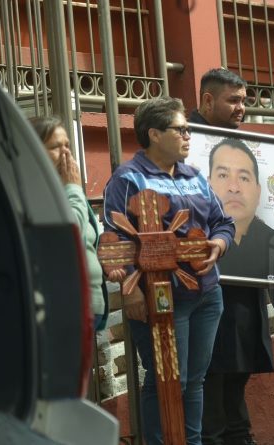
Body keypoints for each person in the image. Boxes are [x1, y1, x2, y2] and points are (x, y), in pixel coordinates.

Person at [103, 97, 235, 445]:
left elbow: (223, 222)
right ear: (154, 134)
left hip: (207, 293)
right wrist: (130, 291)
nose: (188, 136)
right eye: (181, 129)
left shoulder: (195, 175)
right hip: (160, 296)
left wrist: (219, 244)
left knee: (195, 380)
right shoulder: (128, 179)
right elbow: (115, 238)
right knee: (167, 379)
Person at [190, 68, 274, 445]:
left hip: (246, 274)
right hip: (201, 277)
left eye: (244, 100)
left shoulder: (246, 143)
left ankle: (239, 435)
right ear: (207, 100)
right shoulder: (185, 141)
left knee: (239, 363)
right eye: (233, 100)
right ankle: (216, 437)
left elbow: (266, 205)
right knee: (211, 366)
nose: (242, 108)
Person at [204, 138, 274, 445]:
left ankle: (239, 436)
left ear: (259, 190)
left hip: (248, 295)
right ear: (207, 182)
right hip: (207, 295)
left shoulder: (273, 242)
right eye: (223, 175)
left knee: (239, 369)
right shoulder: (198, 232)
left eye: (244, 177)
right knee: (212, 373)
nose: (234, 187)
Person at [30, 116, 108, 331]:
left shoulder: (61, 188)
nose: (66, 153)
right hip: (63, 308)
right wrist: (74, 188)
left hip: (84, 306)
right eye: (56, 147)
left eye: (67, 145)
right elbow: (70, 233)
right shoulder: (33, 190)